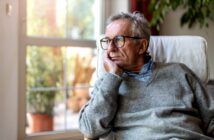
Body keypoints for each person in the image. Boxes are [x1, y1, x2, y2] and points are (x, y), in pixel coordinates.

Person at [78, 12, 214, 140]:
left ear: (142, 46)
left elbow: (211, 118)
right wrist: (113, 76)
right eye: (107, 41)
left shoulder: (180, 72)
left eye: (118, 40)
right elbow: (89, 129)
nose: (110, 48)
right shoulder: (107, 84)